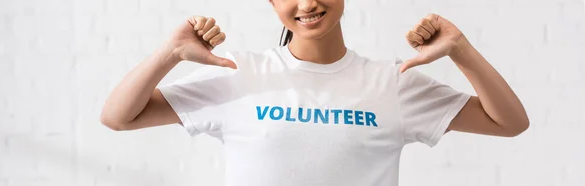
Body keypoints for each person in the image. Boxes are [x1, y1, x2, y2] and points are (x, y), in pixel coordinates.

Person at [100, 0, 529, 185]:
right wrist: (170, 53)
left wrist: (461, 51)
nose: (307, 4)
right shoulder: (238, 73)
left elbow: (509, 122)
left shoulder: (392, 83)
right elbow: (119, 116)